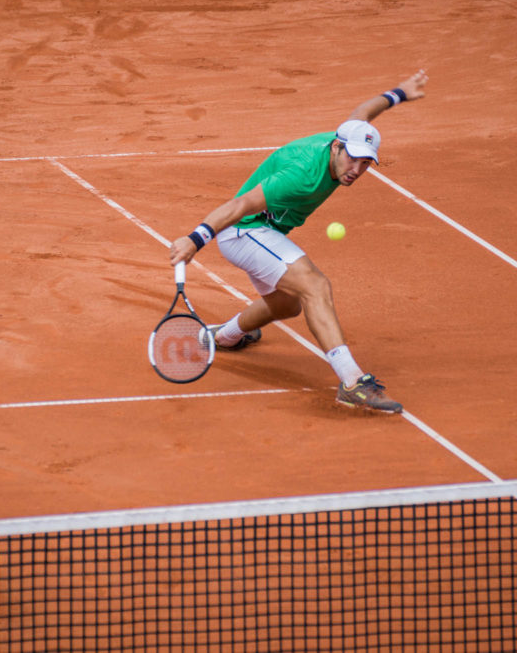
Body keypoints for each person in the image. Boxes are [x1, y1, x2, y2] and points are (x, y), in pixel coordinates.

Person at [169, 69, 429, 414]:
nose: (356, 169)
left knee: (287, 305)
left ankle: (223, 337)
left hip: (267, 231)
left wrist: (399, 93)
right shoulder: (302, 176)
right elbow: (241, 205)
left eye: (366, 162)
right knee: (315, 286)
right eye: (352, 158)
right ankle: (353, 383)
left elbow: (363, 113)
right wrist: (195, 239)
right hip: (244, 231)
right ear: (336, 147)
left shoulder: (345, 137)